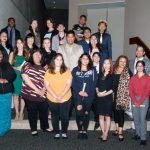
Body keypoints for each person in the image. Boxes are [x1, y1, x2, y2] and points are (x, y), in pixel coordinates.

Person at [21, 48, 51, 136]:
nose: (38, 56)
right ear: (31, 56)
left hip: (42, 93)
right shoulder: (27, 64)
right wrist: (37, 90)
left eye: (39, 54)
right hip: (30, 93)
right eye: (35, 54)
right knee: (32, 112)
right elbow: (25, 77)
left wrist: (43, 90)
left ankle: (45, 127)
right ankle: (33, 129)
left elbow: (48, 79)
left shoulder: (45, 67)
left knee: (44, 111)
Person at [44, 53, 72, 139]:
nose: (59, 61)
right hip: (52, 98)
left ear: (62, 61)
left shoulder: (67, 71)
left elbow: (69, 84)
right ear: (54, 60)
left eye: (61, 59)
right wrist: (56, 96)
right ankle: (56, 131)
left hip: (65, 97)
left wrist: (61, 95)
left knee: (65, 116)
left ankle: (64, 132)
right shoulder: (48, 71)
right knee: (55, 116)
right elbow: (47, 85)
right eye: (57, 59)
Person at [72, 53, 98, 139]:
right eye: (83, 58)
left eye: (87, 59)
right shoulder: (75, 70)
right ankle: (80, 130)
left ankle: (85, 130)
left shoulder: (93, 70)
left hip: (88, 96)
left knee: (86, 114)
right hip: (78, 95)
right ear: (80, 59)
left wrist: (88, 92)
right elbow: (73, 83)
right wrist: (79, 91)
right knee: (79, 113)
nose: (85, 60)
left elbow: (94, 83)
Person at [129, 60, 150, 146]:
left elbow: (147, 91)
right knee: (136, 118)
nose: (139, 67)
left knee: (142, 119)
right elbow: (130, 91)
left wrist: (140, 101)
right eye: (138, 65)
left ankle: (143, 137)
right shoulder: (133, 78)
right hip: (134, 99)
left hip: (144, 99)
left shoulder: (148, 78)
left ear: (144, 67)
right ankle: (137, 134)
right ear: (136, 67)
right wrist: (134, 100)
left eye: (141, 65)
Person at [113, 55, 132, 141]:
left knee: (120, 113)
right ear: (118, 61)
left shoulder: (128, 71)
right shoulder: (114, 70)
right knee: (115, 112)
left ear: (126, 63)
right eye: (121, 61)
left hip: (122, 96)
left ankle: (120, 132)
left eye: (124, 61)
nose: (123, 63)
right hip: (113, 95)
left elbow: (132, 83)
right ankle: (117, 129)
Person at [9, 38, 28, 120]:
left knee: (23, 96)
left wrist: (23, 68)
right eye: (18, 43)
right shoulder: (13, 53)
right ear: (16, 44)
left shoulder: (27, 54)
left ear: (23, 44)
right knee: (16, 95)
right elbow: (9, 66)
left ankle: (21, 113)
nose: (19, 44)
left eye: (21, 43)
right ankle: (16, 113)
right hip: (15, 77)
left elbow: (29, 66)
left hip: (24, 76)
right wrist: (16, 68)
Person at [96, 58, 113, 141]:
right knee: (100, 116)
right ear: (103, 65)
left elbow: (113, 88)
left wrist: (104, 94)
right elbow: (97, 85)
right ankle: (103, 132)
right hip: (99, 98)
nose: (106, 65)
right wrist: (98, 92)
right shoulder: (100, 74)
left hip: (108, 98)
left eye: (108, 63)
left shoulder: (112, 75)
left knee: (107, 117)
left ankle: (106, 133)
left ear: (110, 65)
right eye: (105, 63)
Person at [0, 49, 16, 136]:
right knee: (1, 112)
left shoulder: (6, 64)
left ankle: (6, 127)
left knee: (6, 110)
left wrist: (7, 80)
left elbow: (14, 75)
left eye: (1, 54)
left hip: (7, 91)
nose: (0, 55)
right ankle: (2, 129)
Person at [92, 52, 102, 130]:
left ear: (99, 58)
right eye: (94, 56)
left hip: (100, 88)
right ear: (92, 58)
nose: (96, 58)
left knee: (98, 105)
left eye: (98, 57)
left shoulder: (102, 66)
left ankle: (97, 121)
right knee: (92, 105)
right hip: (90, 88)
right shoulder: (89, 66)